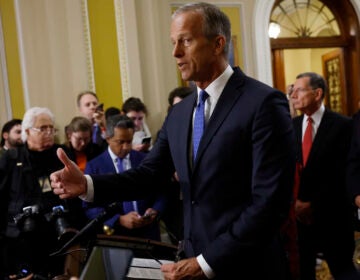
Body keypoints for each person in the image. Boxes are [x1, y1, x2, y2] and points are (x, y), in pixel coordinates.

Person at [50, 2, 295, 279]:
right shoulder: (180, 113)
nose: (175, 53)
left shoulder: (263, 103)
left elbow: (271, 202)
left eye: (186, 41)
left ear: (218, 44)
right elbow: (149, 175)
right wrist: (87, 184)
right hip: (190, 261)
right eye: (173, 42)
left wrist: (206, 263)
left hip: (249, 266)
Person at [0, 107, 86, 279]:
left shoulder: (61, 154)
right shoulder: (12, 158)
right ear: (27, 131)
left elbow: (75, 195)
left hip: (57, 235)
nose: (49, 133)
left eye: (51, 128)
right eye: (43, 128)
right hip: (21, 239)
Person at [290, 72, 359, 280]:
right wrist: (295, 204)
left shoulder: (344, 125)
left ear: (317, 93)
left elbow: (344, 173)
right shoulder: (291, 126)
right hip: (300, 221)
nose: (293, 95)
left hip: (334, 218)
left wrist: (314, 204)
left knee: (344, 271)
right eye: (292, 90)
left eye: (299, 90)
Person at [83, 114, 167, 241]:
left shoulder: (145, 160)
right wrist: (119, 220)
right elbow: (89, 207)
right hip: (116, 237)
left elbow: (162, 192)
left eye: (129, 141)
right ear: (107, 138)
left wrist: (155, 210)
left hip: (148, 234)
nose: (126, 147)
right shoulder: (94, 167)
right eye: (120, 142)